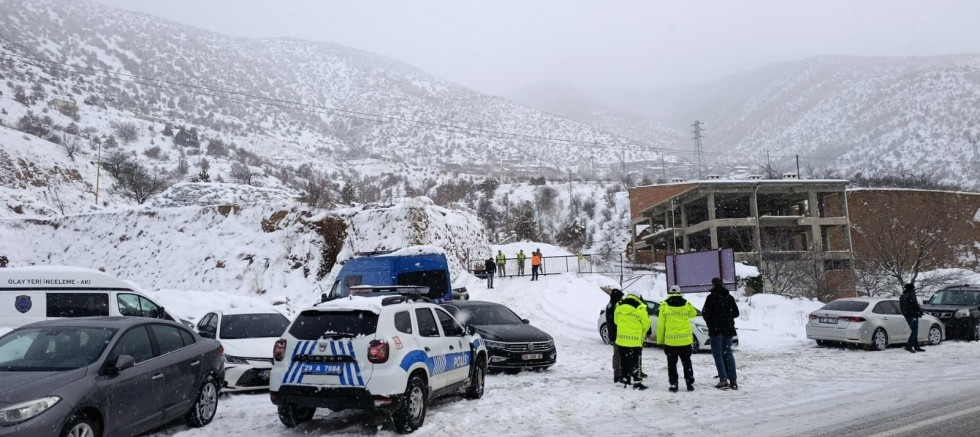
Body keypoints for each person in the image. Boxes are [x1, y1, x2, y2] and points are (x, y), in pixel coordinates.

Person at [657, 285, 697, 392]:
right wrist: (687, 303)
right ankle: (689, 384)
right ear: (679, 293)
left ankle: (674, 385)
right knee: (687, 363)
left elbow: (661, 325)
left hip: (671, 342)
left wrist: (660, 340)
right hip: (685, 341)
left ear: (670, 293)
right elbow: (694, 313)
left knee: (672, 365)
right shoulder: (686, 304)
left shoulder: (664, 306)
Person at [702, 277, 740, 390]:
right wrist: (727, 318)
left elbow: (705, 313)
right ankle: (733, 379)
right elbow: (736, 313)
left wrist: (712, 322)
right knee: (728, 353)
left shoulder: (711, 298)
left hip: (716, 330)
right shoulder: (729, 297)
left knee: (718, 355)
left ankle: (723, 379)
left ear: (713, 285)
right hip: (728, 329)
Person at [614, 292, 650, 390]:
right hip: (634, 341)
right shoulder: (640, 308)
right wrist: (640, 333)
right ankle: (637, 382)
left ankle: (626, 379)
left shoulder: (619, 306)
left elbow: (616, 321)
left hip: (621, 340)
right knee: (635, 362)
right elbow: (646, 325)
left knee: (624, 361)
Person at [601, 286, 624, 383]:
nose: (622, 299)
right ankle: (617, 375)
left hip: (614, 334)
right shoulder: (614, 307)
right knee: (618, 355)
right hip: (616, 335)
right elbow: (614, 323)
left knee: (618, 354)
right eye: (620, 297)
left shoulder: (611, 305)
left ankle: (618, 374)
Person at [900, 283, 926, 353]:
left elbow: (901, 306)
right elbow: (915, 304)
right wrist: (920, 311)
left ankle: (916, 346)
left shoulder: (902, 296)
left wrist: (904, 314)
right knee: (914, 330)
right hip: (913, 314)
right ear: (912, 288)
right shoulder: (911, 294)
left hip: (907, 315)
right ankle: (909, 345)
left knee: (913, 330)